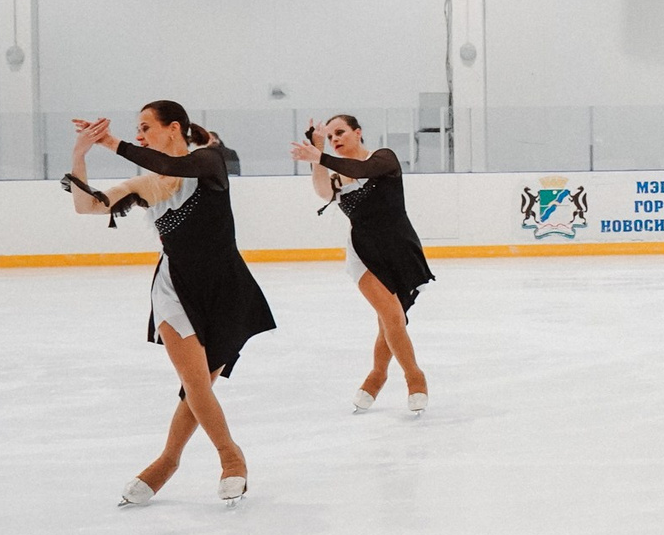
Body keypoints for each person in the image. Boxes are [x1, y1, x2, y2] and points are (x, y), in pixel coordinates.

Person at [64, 103, 275, 506]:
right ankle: (231, 457)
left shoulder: (209, 162)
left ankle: (167, 461)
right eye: (135, 130)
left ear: (174, 128)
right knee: (195, 383)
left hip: (226, 288)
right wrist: (80, 153)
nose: (139, 135)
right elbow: (86, 205)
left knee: (199, 389)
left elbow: (174, 165)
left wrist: (111, 141)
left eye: (145, 127)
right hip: (173, 289)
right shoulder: (149, 185)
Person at [293, 113, 434, 415]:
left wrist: (322, 154)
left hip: (400, 249)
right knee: (392, 315)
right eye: (330, 137)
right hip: (363, 253)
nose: (336, 140)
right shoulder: (337, 170)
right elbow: (322, 190)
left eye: (340, 132)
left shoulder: (383, 158)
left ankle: (377, 376)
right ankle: (415, 377)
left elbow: (363, 168)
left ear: (358, 132)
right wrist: (318, 155)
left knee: (388, 322)